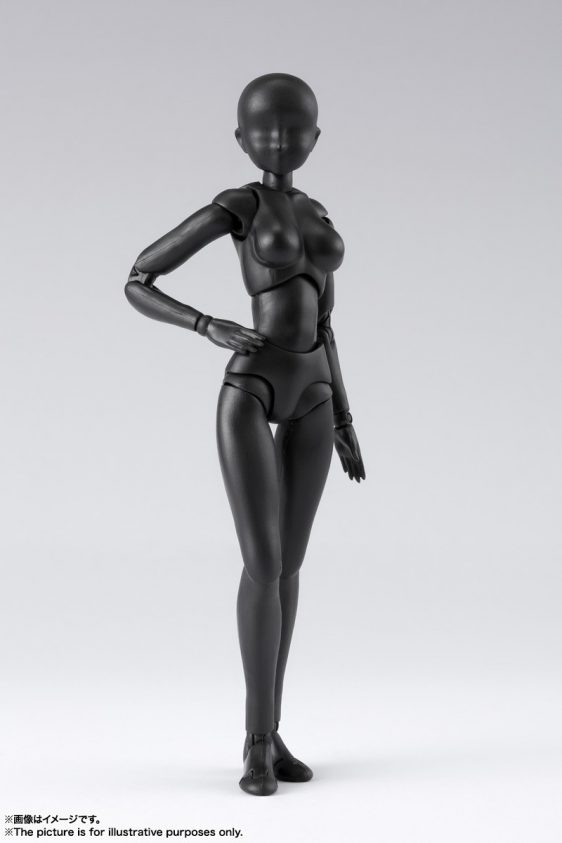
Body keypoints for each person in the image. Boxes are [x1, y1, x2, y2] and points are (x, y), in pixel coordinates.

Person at [125, 72, 365, 796]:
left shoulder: (318, 212)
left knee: (289, 567)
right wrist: (206, 324)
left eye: (294, 131)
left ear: (315, 139)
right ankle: (256, 742)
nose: (280, 142)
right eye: (264, 131)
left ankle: (274, 731)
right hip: (252, 385)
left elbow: (326, 323)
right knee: (264, 563)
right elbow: (139, 278)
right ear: (241, 139)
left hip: (315, 392)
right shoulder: (239, 205)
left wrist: (346, 417)